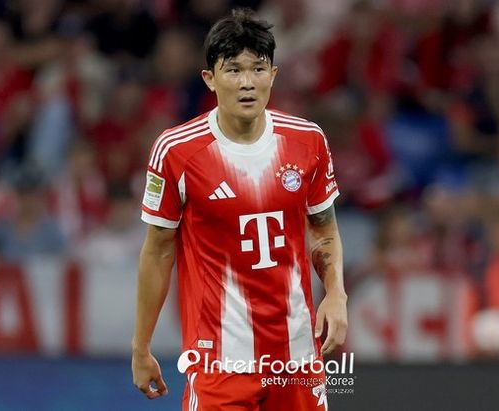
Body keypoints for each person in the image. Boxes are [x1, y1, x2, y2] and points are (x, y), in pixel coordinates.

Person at [131, 9, 347, 410]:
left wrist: (336, 294)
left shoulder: (308, 141)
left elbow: (323, 228)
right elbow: (157, 251)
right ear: (209, 78)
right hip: (219, 362)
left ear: (273, 75)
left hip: (297, 356)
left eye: (258, 69)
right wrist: (141, 347)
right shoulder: (177, 151)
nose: (247, 82)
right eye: (233, 70)